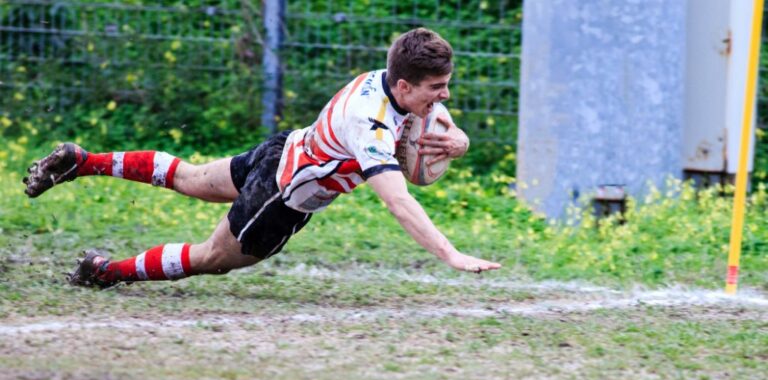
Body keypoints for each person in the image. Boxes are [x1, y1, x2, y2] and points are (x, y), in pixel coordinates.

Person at [23, 28, 501, 288]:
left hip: (282, 149)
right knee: (213, 258)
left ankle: (83, 161)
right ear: (404, 86)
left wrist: (459, 142)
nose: (445, 95)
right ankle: (105, 272)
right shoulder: (370, 127)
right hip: (283, 195)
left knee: (189, 177)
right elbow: (400, 200)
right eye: (437, 88)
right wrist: (450, 253)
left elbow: (434, 122)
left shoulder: (394, 77)